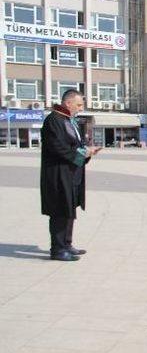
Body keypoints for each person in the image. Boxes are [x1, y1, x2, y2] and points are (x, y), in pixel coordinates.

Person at [41, 89, 101, 262]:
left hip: (72, 173)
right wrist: (81, 154)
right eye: (79, 104)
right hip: (58, 174)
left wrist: (87, 152)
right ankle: (58, 249)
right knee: (60, 210)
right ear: (68, 103)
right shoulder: (54, 120)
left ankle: (67, 244)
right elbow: (57, 148)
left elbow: (74, 145)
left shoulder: (68, 120)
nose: (81, 108)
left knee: (69, 209)